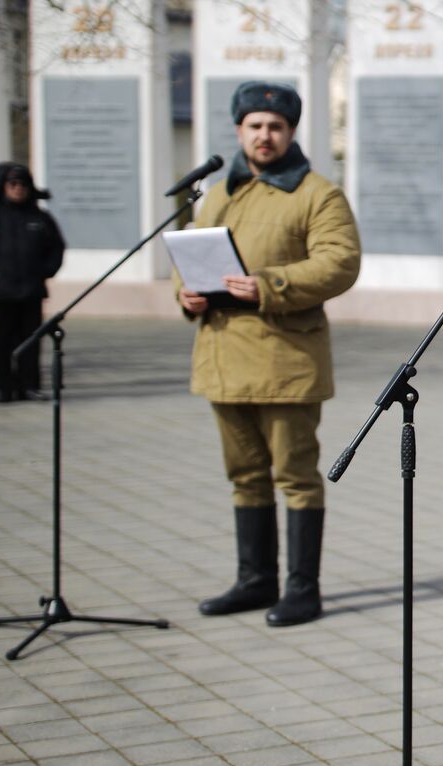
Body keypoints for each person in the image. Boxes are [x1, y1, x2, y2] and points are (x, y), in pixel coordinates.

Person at [178, 81, 361, 628]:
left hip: (286, 362)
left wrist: (268, 285)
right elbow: (190, 254)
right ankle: (255, 579)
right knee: (245, 475)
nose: (265, 136)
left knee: (295, 476)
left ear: (291, 132)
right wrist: (184, 293)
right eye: (255, 126)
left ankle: (302, 589)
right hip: (222, 359)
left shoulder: (316, 194)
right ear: (239, 131)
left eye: (275, 127)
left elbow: (339, 262)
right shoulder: (218, 194)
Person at [0, 163, 66, 402]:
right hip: (1, 291)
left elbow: (56, 248)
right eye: (13, 184)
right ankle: (4, 387)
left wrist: (46, 270)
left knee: (31, 341)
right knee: (2, 343)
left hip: (31, 290)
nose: (18, 189)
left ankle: (29, 385)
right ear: (4, 187)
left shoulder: (39, 217)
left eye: (23, 185)